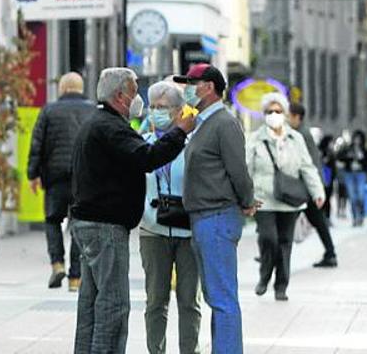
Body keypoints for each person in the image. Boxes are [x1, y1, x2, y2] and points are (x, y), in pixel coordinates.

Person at [69, 68, 196, 353]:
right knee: (113, 304)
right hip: (105, 227)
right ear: (120, 96)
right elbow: (147, 157)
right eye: (135, 91)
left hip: (89, 223)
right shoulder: (110, 127)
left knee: (92, 301)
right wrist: (180, 132)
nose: (138, 98)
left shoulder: (96, 123)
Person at [173, 63, 257, 354]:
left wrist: (247, 201)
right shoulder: (202, 122)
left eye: (191, 83)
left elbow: (238, 170)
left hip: (217, 217)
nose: (187, 89)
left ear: (208, 87)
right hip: (204, 217)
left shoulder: (223, 123)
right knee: (215, 296)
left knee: (222, 298)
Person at [139, 81, 201, 354]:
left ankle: (190, 349)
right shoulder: (144, 143)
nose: (156, 112)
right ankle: (156, 349)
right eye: (152, 107)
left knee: (189, 300)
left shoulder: (192, 146)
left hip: (188, 231)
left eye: (162, 107)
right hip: (153, 228)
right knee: (155, 300)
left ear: (178, 112)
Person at [247, 94, 325, 301]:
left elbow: (307, 167)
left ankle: (281, 285)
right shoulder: (255, 139)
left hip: (289, 200)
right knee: (268, 239)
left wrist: (317, 192)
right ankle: (265, 275)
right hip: (262, 199)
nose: (274, 115)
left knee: (284, 243)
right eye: (269, 112)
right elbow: (246, 169)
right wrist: (244, 196)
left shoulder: (295, 139)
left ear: (285, 114)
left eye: (278, 111)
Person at [27, 72, 95, 292]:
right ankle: (76, 277)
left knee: (53, 220)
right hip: (82, 178)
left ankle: (57, 264)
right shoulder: (92, 110)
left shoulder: (49, 110)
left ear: (63, 88)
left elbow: (37, 144)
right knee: (78, 223)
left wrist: (32, 174)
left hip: (55, 177)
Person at [288, 102, 337, 268]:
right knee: (318, 221)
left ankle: (271, 255)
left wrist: (314, 187)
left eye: (289, 115)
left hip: (305, 187)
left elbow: (307, 163)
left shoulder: (300, 134)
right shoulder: (301, 132)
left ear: (296, 117)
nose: (287, 119)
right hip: (308, 186)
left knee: (285, 220)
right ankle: (330, 253)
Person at [337, 130, 367, 227]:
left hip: (361, 173)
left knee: (360, 196)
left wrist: (362, 160)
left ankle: (361, 215)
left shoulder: (365, 150)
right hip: (350, 173)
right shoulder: (348, 149)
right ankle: (355, 217)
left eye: (359, 139)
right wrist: (349, 158)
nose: (357, 141)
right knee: (352, 197)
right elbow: (340, 157)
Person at [318, 135, 337, 220]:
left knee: (328, 197)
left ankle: (327, 216)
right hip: (323, 174)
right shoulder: (321, 151)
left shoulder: (331, 152)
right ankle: (323, 216)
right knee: (323, 196)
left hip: (329, 175)